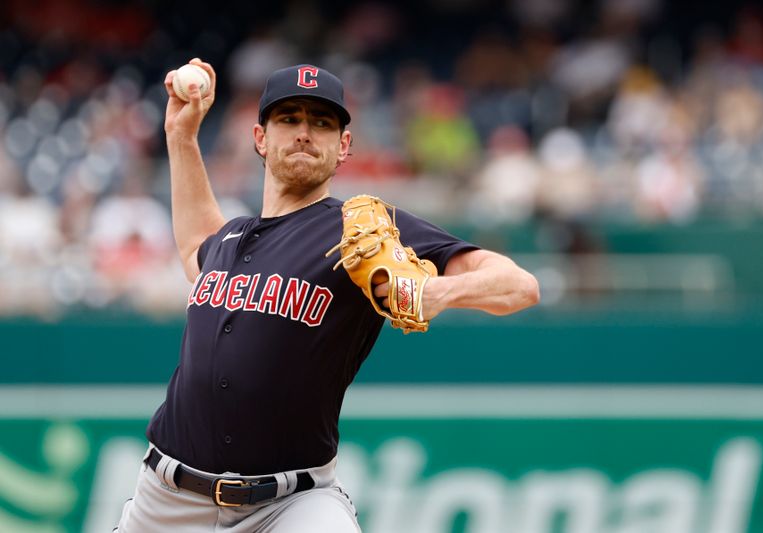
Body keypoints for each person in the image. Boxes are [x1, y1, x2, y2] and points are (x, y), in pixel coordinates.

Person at [114, 59, 540, 532]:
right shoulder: (230, 237)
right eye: (289, 118)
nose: (304, 132)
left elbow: (519, 286)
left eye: (321, 122)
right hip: (166, 502)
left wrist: (438, 290)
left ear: (343, 146)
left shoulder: (361, 229)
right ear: (260, 138)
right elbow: (196, 243)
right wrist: (181, 136)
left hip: (291, 504)